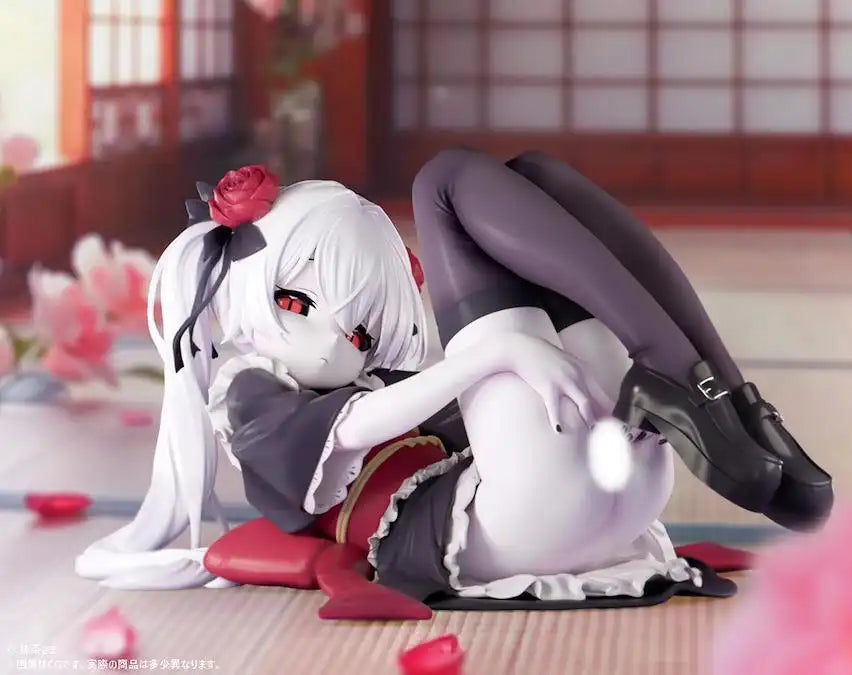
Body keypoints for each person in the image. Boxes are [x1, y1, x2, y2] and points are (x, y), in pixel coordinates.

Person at [73, 163, 734, 609]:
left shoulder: (378, 383)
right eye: (298, 304)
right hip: (512, 526)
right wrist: (497, 352)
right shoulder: (250, 394)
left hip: (608, 505)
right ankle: (723, 401)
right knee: (444, 185)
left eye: (361, 330)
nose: (338, 342)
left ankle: (719, 404)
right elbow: (363, 425)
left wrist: (505, 363)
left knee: (535, 177)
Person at [414, 148, 833, 532]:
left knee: (522, 177)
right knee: (457, 177)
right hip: (603, 499)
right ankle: (720, 396)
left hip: (544, 505)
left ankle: (699, 392)